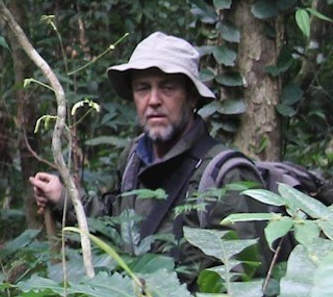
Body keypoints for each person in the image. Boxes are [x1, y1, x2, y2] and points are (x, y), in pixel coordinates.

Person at [30, 32, 261, 253]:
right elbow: (116, 228)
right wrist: (63, 198)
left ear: (191, 96)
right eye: (143, 88)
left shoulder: (226, 176)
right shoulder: (133, 159)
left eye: (167, 88)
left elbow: (239, 272)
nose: (153, 100)